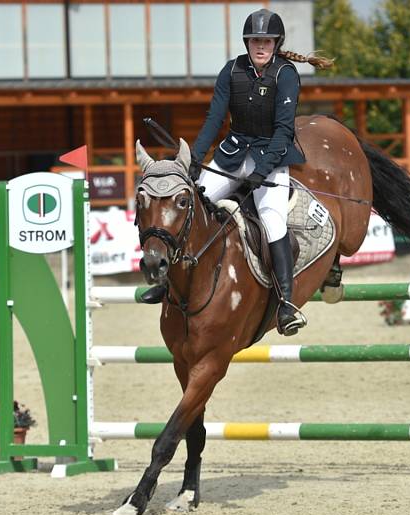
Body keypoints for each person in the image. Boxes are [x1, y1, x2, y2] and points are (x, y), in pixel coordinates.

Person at [140, 8, 332, 337]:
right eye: (255, 40)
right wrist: (192, 161)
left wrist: (264, 170)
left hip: (272, 154)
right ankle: (167, 282)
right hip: (232, 155)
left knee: (272, 219)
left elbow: (284, 131)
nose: (261, 46)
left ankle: (286, 303)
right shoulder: (231, 71)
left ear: (276, 43)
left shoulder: (285, 74)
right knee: (193, 203)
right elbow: (215, 119)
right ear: (247, 42)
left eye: (267, 41)